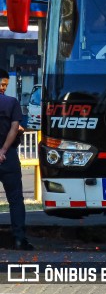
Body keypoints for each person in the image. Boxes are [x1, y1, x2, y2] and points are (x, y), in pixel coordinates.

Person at [0, 69, 32, 250]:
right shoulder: (12, 102)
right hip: (8, 157)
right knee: (15, 199)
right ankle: (19, 239)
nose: (4, 87)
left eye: (6, 85)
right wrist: (3, 150)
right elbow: (15, 129)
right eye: (2, 84)